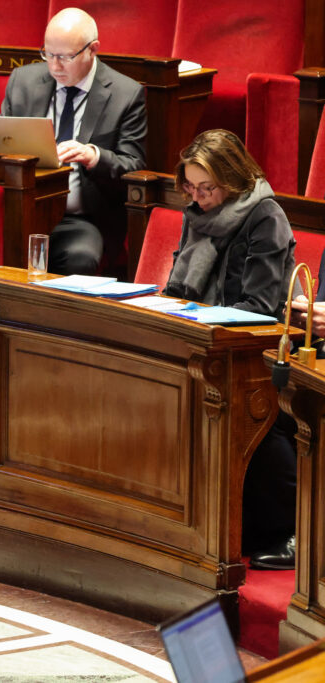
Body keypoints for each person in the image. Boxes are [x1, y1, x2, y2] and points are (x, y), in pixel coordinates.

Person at [164, 129, 296, 569]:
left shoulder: (265, 217)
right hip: (207, 339)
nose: (198, 197)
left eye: (207, 187)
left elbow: (260, 306)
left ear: (233, 180)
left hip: (259, 350)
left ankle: (287, 529)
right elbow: (178, 287)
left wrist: (197, 318)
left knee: (255, 413)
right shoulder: (197, 213)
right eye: (191, 187)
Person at [1, 7, 146, 276]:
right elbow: (1, 144)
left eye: (66, 57)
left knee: (80, 258)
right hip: (21, 211)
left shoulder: (125, 94)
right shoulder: (23, 81)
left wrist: (94, 156)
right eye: (48, 54)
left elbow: (134, 166)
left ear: (93, 49)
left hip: (79, 220)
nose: (55, 66)